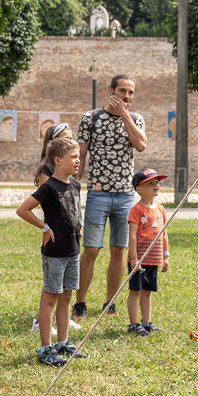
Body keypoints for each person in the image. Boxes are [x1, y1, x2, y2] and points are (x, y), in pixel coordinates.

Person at [74, 74, 147, 319]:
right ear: (111, 90)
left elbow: (141, 145)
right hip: (98, 193)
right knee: (91, 249)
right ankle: (80, 302)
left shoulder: (136, 119)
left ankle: (110, 302)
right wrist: (73, 187)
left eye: (131, 92)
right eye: (122, 91)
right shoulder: (91, 118)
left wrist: (125, 116)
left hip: (125, 196)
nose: (126, 96)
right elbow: (81, 155)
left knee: (119, 250)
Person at [17, 138, 86, 367]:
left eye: (78, 157)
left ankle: (63, 342)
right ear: (57, 160)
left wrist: (80, 224)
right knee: (50, 298)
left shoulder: (75, 185)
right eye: (73, 157)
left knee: (67, 296)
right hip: (55, 253)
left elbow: (75, 209)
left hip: (73, 250)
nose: (78, 160)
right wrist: (44, 227)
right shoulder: (49, 188)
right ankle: (46, 348)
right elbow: (23, 210)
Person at [126, 168, 169, 336]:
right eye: (150, 183)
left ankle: (147, 322)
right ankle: (134, 324)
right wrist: (134, 258)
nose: (156, 185)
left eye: (157, 182)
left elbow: (164, 234)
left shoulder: (161, 209)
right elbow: (132, 234)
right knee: (136, 291)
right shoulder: (136, 210)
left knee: (147, 291)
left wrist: (165, 256)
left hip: (154, 259)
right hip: (139, 259)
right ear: (139, 189)